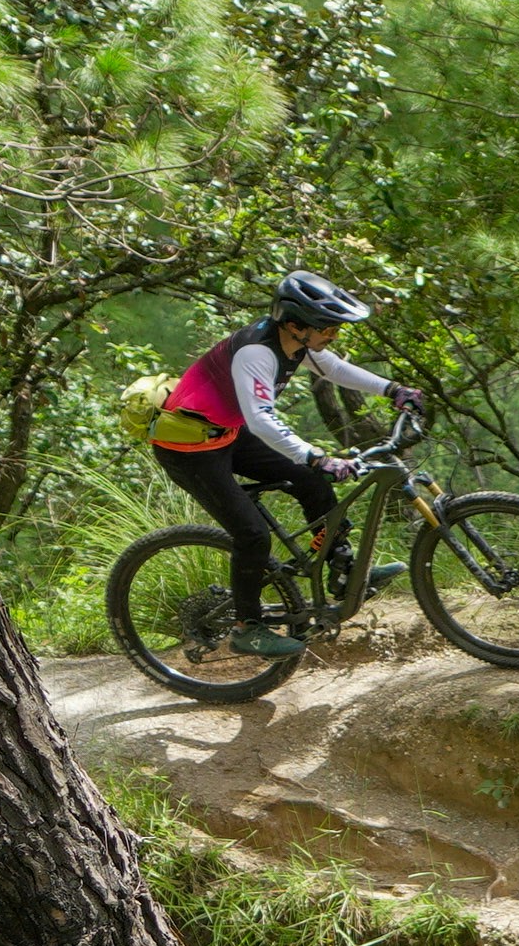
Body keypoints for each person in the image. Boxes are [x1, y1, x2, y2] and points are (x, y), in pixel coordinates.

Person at [146, 271, 411, 660]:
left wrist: (393, 390)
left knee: (312, 482)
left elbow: (335, 369)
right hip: (188, 447)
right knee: (252, 535)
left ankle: (342, 570)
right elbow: (261, 419)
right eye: (328, 329)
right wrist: (316, 455)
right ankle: (246, 628)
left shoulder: (299, 342)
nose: (333, 335)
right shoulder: (257, 351)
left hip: (224, 434)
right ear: (294, 325)